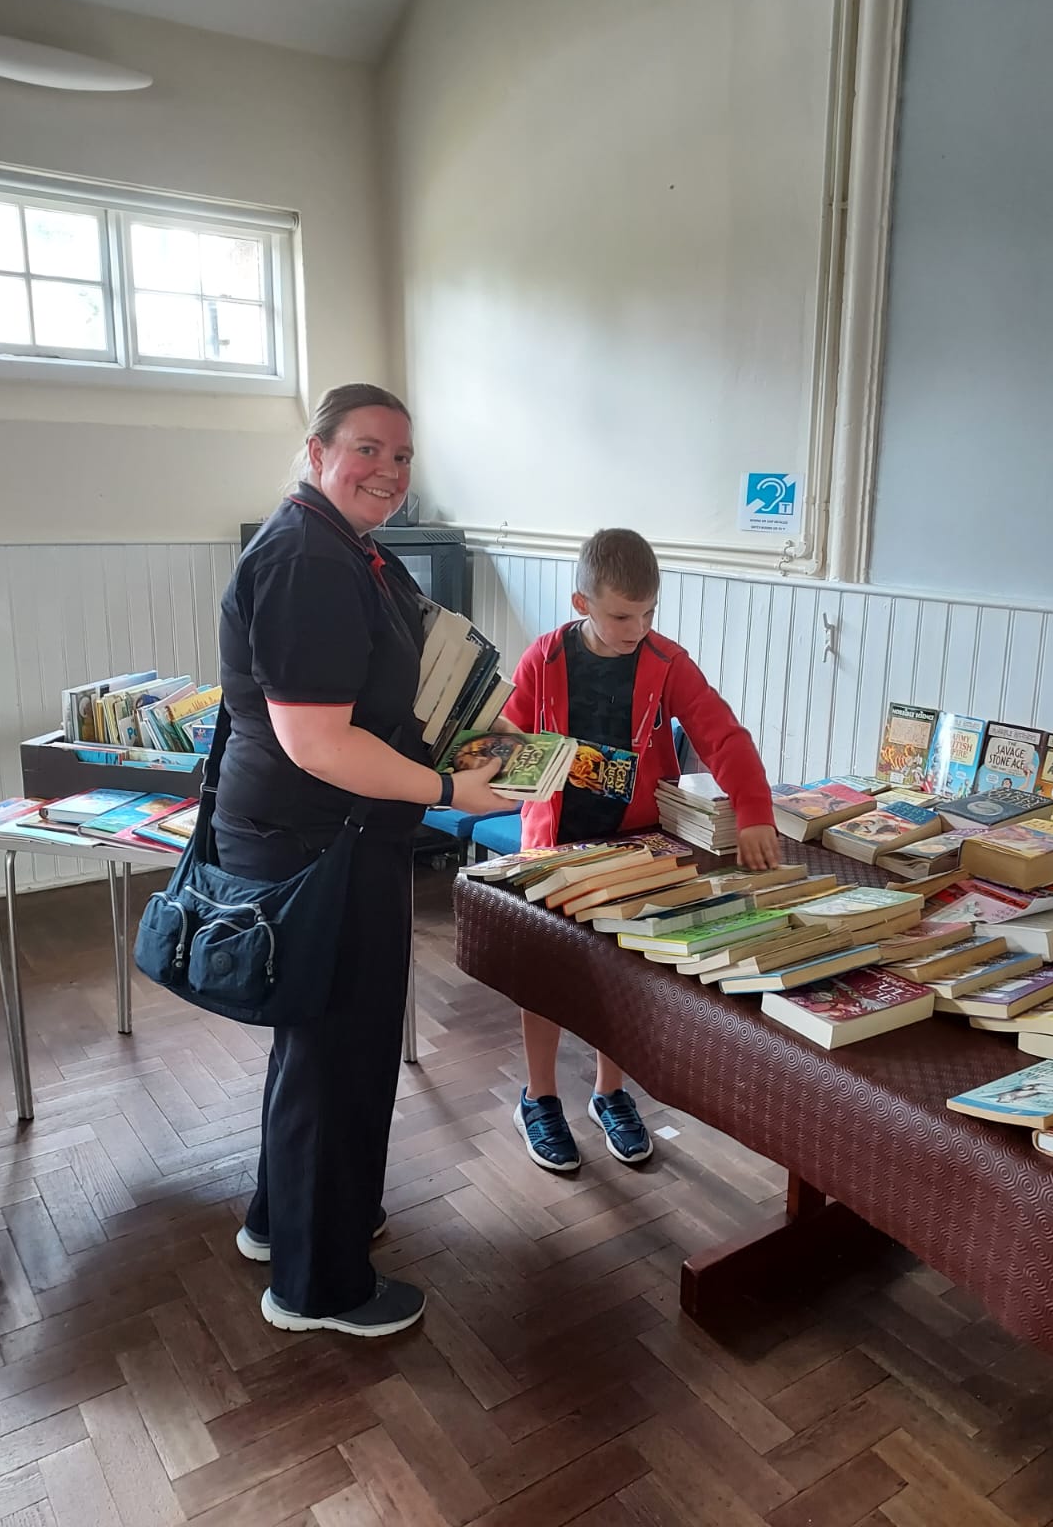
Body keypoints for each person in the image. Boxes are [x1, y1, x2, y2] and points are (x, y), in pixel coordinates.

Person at [215, 383, 513, 1336]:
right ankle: (319, 1286)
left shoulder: (346, 547)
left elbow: (388, 695)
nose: (387, 470)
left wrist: (466, 740)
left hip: (330, 839)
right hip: (316, 845)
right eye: (367, 450)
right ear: (316, 450)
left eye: (402, 456)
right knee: (338, 1057)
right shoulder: (308, 557)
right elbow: (316, 743)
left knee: (316, 1050)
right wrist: (447, 793)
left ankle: (286, 1221)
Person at [505, 528, 780, 1172]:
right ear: (582, 604)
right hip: (554, 842)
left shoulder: (666, 660)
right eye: (623, 614)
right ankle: (539, 1097)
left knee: (621, 974)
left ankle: (611, 1093)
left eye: (649, 612)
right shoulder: (542, 660)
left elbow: (722, 735)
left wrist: (754, 812)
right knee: (545, 977)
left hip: (635, 843)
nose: (638, 626)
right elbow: (507, 743)